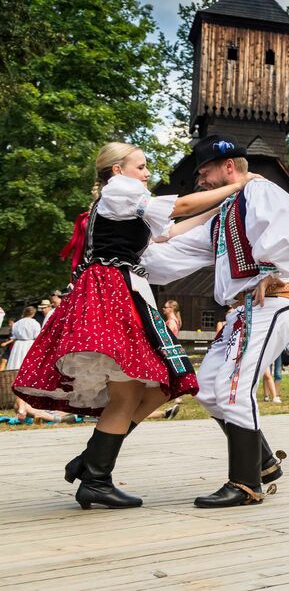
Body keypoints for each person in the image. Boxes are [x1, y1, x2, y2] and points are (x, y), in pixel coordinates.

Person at [16, 141, 253, 509]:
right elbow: (179, 206)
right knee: (129, 391)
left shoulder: (125, 204)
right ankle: (95, 474)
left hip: (126, 293)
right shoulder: (119, 191)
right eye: (140, 166)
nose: (146, 174)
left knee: (164, 382)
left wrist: (218, 206)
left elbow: (168, 229)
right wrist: (238, 185)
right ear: (117, 170)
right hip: (112, 292)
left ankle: (93, 461)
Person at [142, 134, 289, 507]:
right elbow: (176, 252)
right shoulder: (225, 215)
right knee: (208, 387)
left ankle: (245, 485)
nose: (200, 181)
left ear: (230, 166)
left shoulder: (260, 192)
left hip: (270, 304)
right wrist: (127, 258)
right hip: (242, 312)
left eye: (205, 172)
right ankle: (262, 462)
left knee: (234, 386)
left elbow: (279, 232)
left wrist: (273, 271)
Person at [4, 306, 40, 372]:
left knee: (16, 361)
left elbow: (14, 336)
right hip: (29, 344)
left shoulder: (17, 323)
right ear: (33, 314)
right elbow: (37, 336)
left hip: (18, 345)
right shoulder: (35, 323)